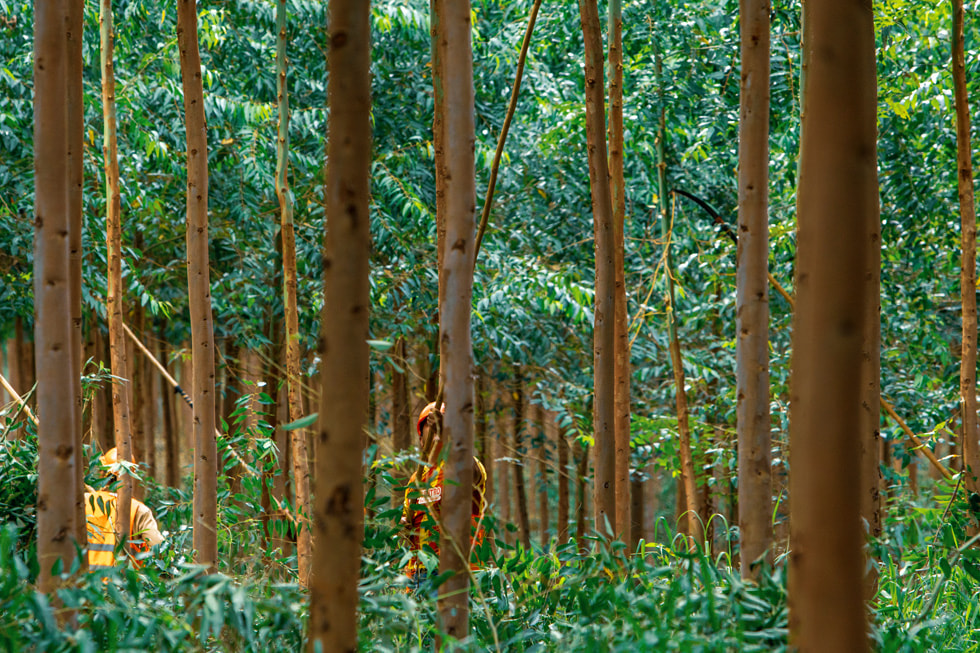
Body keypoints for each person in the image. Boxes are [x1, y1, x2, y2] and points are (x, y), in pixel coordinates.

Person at [401, 401, 487, 584]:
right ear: (421, 440)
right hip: (420, 575)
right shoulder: (414, 482)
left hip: (457, 569)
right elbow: (408, 530)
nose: (435, 434)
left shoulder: (465, 466)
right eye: (430, 428)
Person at [85, 447, 165, 569]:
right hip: (121, 583)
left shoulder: (84, 502)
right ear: (131, 476)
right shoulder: (137, 509)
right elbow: (159, 549)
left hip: (83, 583)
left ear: (102, 473)